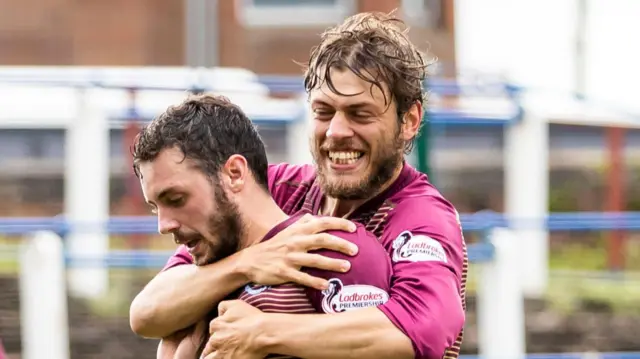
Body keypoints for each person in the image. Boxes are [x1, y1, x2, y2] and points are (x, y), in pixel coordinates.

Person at [130, 11, 467, 359]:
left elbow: (423, 329)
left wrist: (264, 333)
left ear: (409, 120)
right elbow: (148, 312)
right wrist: (248, 262)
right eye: (323, 112)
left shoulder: (423, 217)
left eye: (360, 114)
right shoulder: (276, 187)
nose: (336, 131)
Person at [132, 93, 394, 358]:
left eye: (176, 199)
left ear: (234, 173)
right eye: (155, 207)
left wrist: (266, 336)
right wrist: (245, 265)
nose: (163, 225)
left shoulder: (330, 248)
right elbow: (143, 316)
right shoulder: (204, 274)